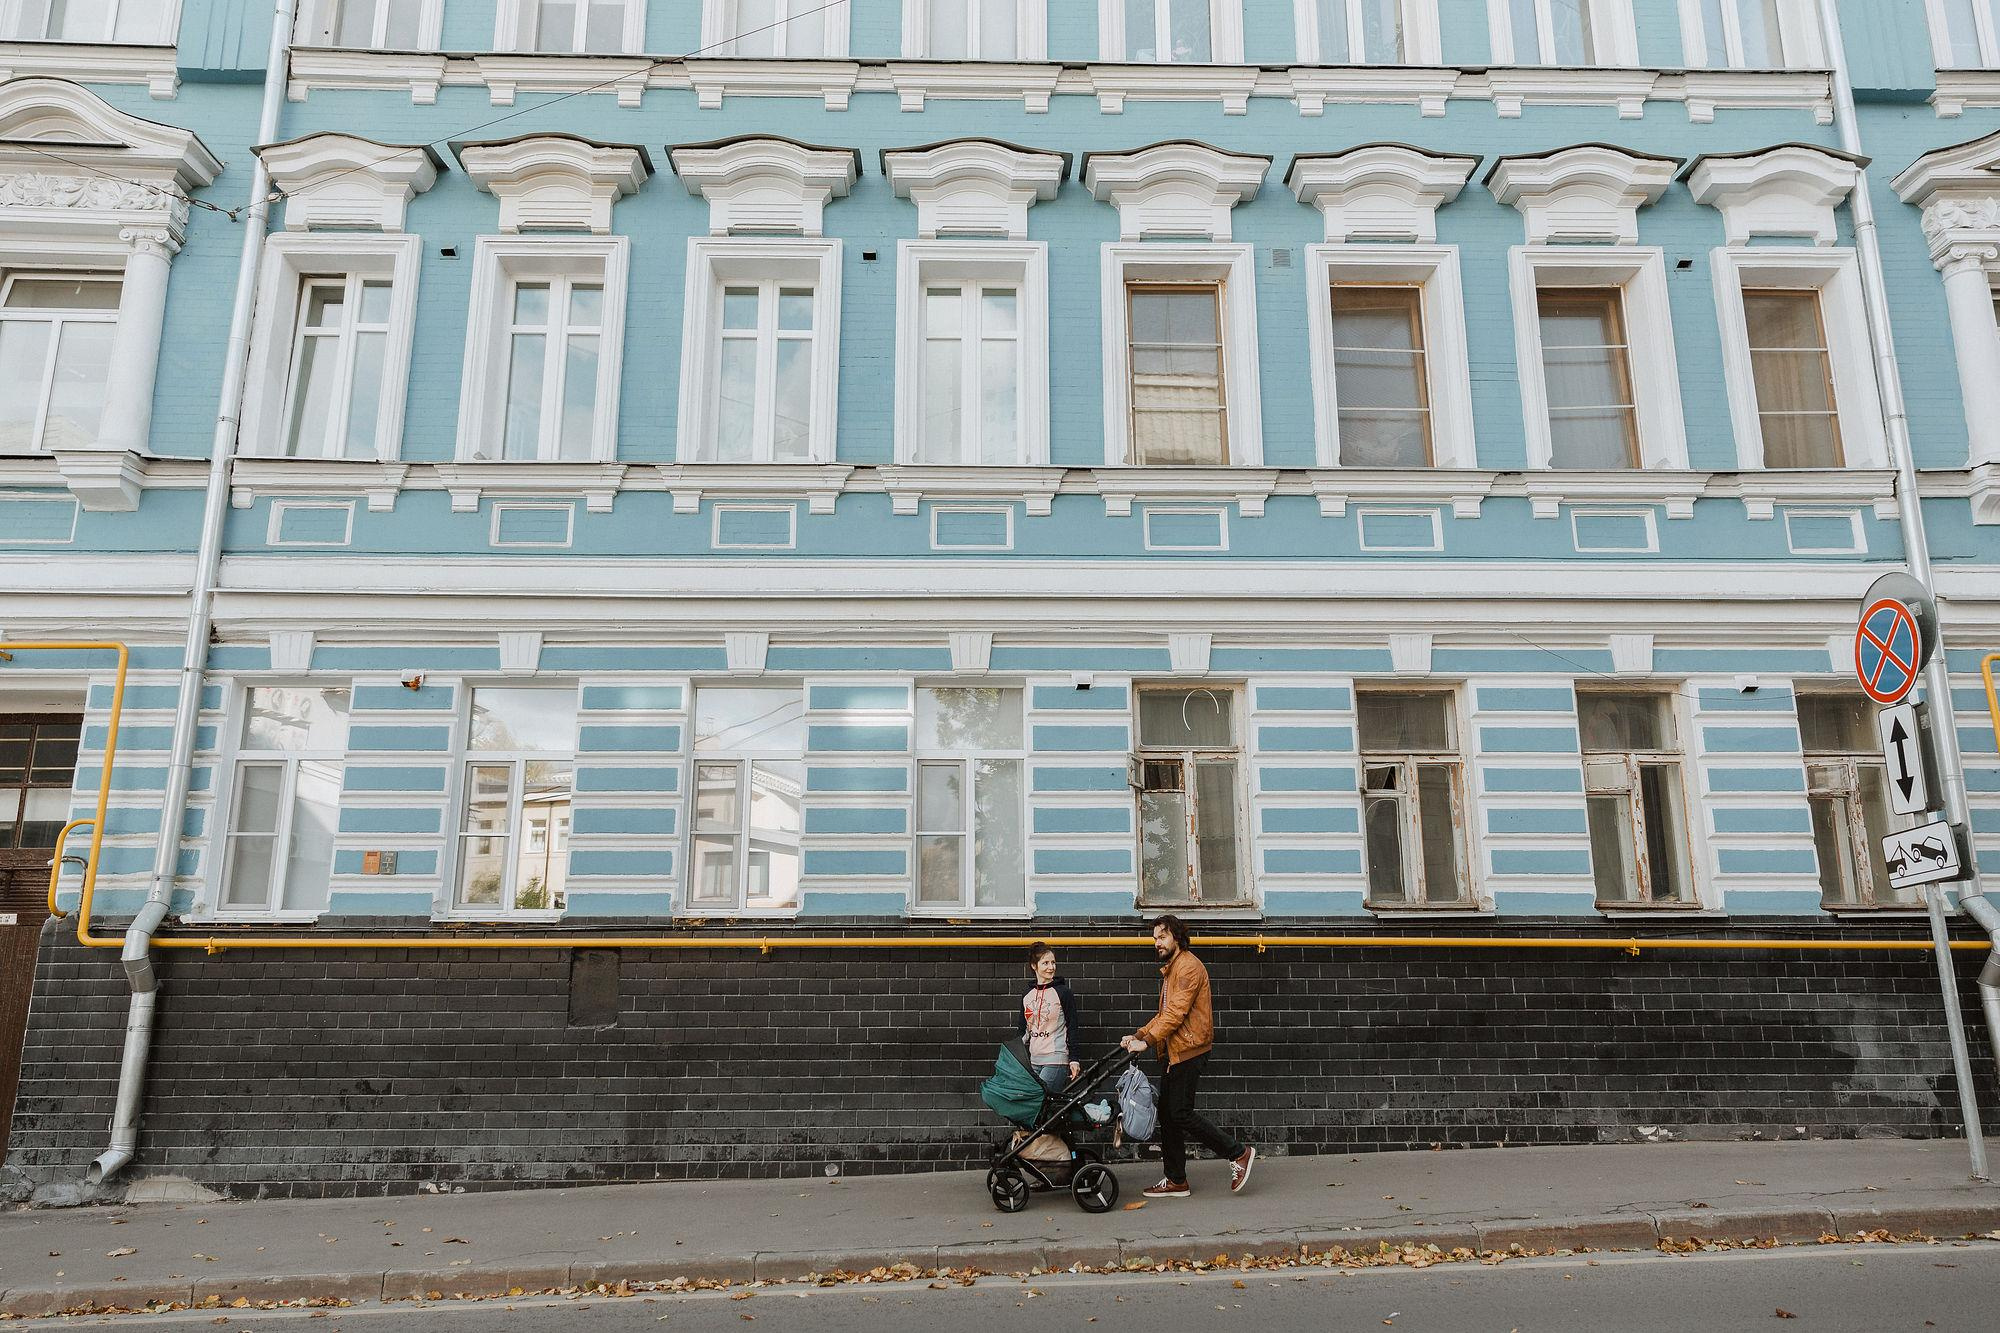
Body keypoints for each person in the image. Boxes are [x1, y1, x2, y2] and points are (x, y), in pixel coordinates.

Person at [1121, 915, 1256, 1198]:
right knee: (1170, 1117)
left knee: (1180, 1113)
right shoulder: (1173, 969)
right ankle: (1176, 1179)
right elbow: (1163, 1015)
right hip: (1175, 1052)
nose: (1156, 942)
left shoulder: (1188, 968)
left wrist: (1147, 1042)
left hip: (1188, 1051)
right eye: (1155, 938)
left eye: (1162, 937)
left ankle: (1238, 1153)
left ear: (1177, 938)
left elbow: (1174, 1015)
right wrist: (1139, 1035)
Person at [1018, 942, 1083, 1093]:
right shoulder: (1027, 995)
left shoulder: (1063, 992)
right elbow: (1023, 1030)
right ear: (1034, 966)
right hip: (1033, 1061)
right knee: (1037, 1107)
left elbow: (1072, 1026)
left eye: (1053, 962)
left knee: (1038, 1099)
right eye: (1045, 963)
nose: (1051, 967)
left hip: (1056, 1059)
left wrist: (1074, 1059)